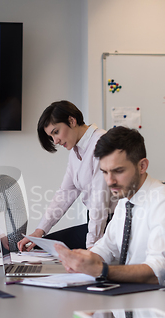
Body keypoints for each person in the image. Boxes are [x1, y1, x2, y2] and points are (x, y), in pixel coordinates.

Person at [56, 126, 165, 287]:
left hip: (158, 303)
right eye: (105, 172)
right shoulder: (125, 200)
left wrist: (102, 271)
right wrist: (83, 260)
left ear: (142, 166)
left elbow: (157, 272)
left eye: (118, 171)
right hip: (127, 295)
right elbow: (106, 248)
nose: (110, 181)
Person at [18, 100, 116, 251]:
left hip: (111, 223)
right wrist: (40, 230)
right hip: (97, 221)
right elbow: (65, 194)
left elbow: (99, 200)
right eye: (51, 136)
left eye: (56, 132)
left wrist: (91, 245)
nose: (55, 141)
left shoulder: (101, 143)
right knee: (40, 244)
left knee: (50, 248)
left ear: (72, 120)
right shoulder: (75, 152)